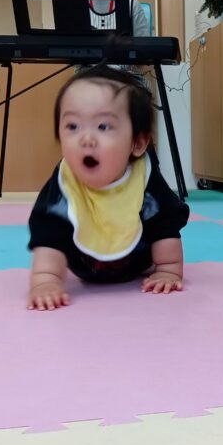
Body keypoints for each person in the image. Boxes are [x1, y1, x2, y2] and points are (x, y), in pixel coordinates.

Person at [27, 65, 188, 310]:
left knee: (159, 223)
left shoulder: (144, 180)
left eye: (103, 126)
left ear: (137, 143)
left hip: (136, 259)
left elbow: (165, 224)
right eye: (72, 126)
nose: (86, 139)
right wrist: (45, 281)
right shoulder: (64, 185)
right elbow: (49, 232)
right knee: (55, 224)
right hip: (83, 263)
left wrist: (169, 270)